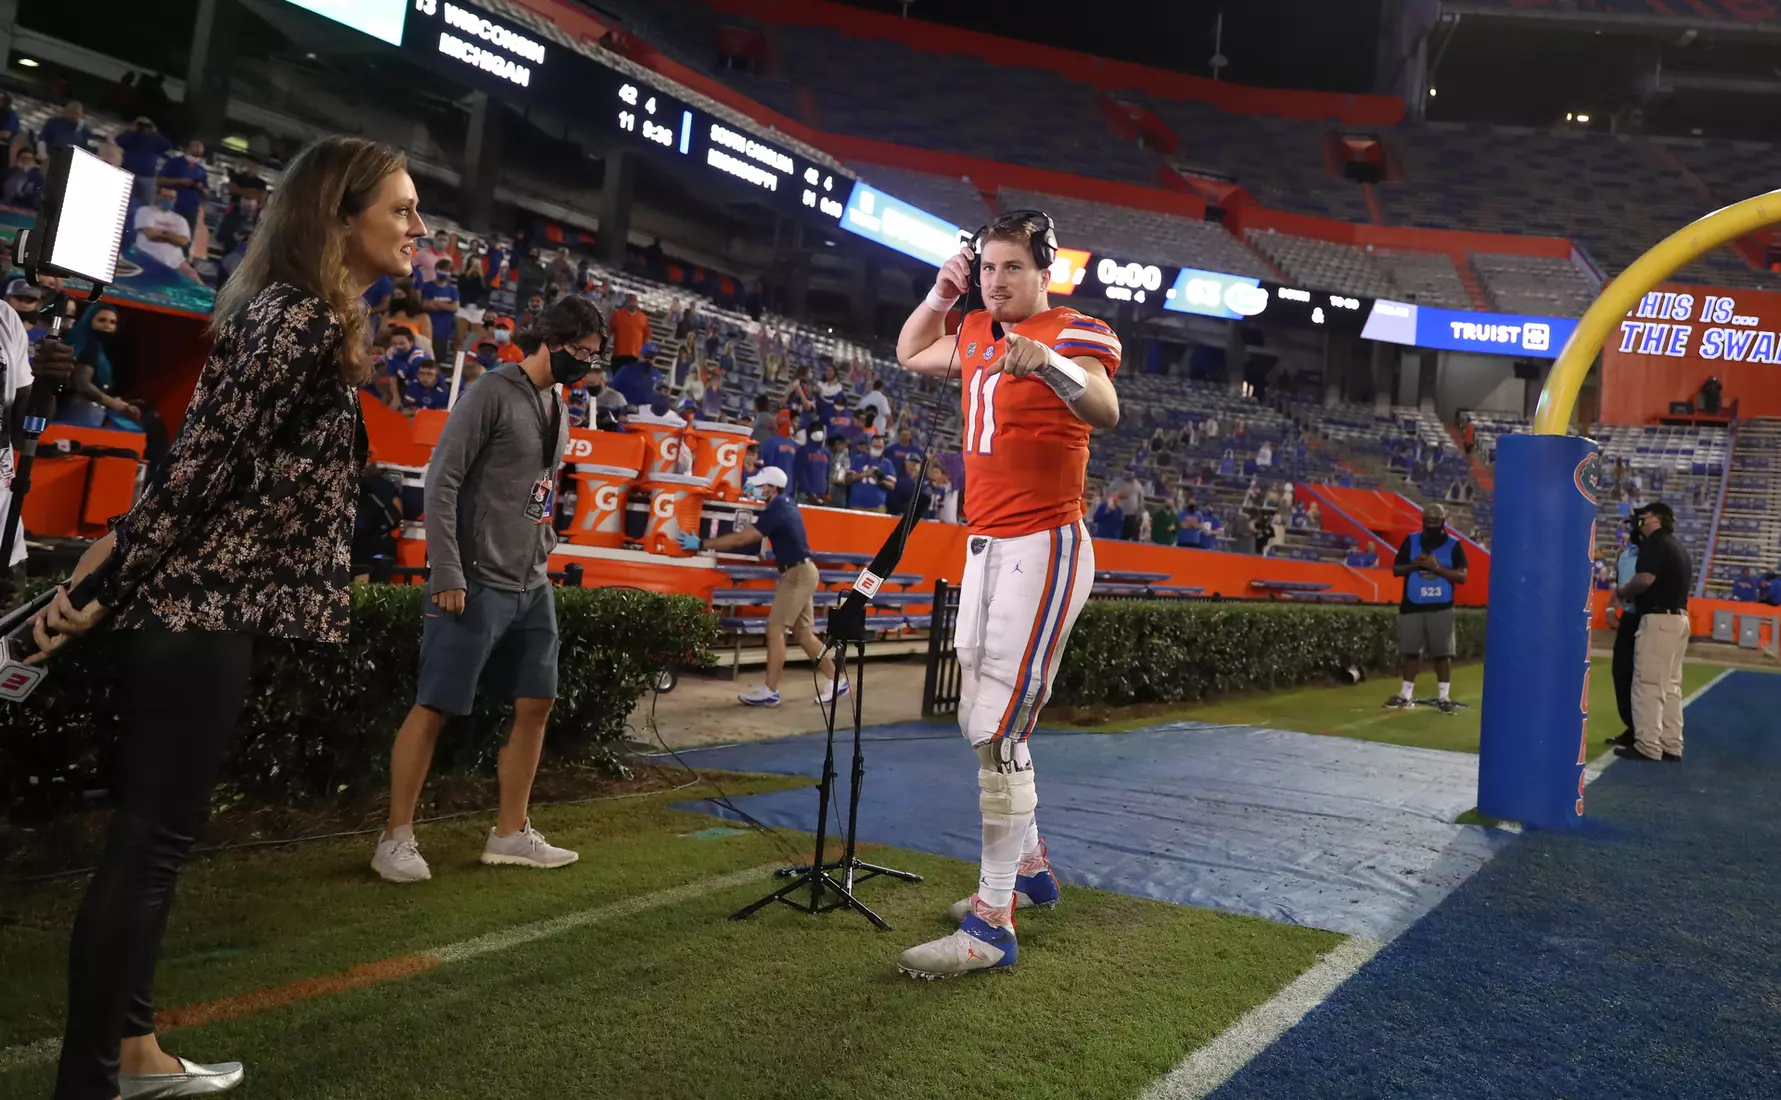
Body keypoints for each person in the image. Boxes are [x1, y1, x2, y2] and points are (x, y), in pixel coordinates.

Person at [27, 135, 419, 1100]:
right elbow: (201, 472)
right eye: (402, 208)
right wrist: (98, 588)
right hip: (195, 609)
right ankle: (92, 1082)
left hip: (207, 606)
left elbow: (215, 469)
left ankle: (135, 1056)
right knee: (150, 846)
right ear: (339, 213)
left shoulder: (302, 317)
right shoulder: (294, 319)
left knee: (156, 843)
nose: (418, 229)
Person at [892, 210, 1120, 978]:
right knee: (979, 719)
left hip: (1042, 542)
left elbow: (1104, 408)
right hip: (986, 545)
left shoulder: (1076, 329)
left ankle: (994, 923)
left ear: (1042, 270)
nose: (997, 282)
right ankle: (1029, 870)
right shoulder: (974, 330)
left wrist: (1045, 364)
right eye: (987, 268)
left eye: (1011, 268)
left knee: (997, 726)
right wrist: (940, 290)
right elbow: (913, 348)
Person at [370, 295, 607, 885]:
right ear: (551, 340)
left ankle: (510, 832)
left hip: (531, 580)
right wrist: (446, 569)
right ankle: (394, 838)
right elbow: (443, 479)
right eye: (582, 352)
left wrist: (545, 536)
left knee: (538, 702)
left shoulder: (557, 403)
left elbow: (539, 483)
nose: (588, 365)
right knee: (434, 707)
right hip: (475, 580)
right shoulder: (490, 393)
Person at [680, 466, 847, 706]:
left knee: (775, 629)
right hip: (802, 571)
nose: (755, 489)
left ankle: (771, 691)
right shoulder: (784, 503)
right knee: (802, 633)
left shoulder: (777, 508)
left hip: (798, 574)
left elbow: (743, 538)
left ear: (771, 487)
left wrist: (703, 543)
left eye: (759, 485)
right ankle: (836, 680)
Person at [1613, 502, 1692, 763]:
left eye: (1643, 517)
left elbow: (1645, 579)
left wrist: (1624, 591)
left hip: (1659, 619)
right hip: (1679, 619)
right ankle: (1671, 743)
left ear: (1657, 519)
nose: (1639, 521)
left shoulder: (1654, 545)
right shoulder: (1676, 546)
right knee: (1669, 685)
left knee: (1647, 683)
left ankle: (1647, 745)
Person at [1385, 504, 1469, 713]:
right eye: (1428, 522)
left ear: (1443, 521)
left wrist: (1436, 568)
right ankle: (1405, 695)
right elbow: (1396, 569)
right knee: (1411, 651)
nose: (1432, 525)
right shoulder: (1411, 541)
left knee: (1442, 653)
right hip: (1412, 604)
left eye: (1436, 521)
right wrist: (1414, 565)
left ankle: (1444, 697)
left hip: (1441, 605)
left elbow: (1462, 576)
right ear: (1423, 521)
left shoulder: (1454, 545)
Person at [1603, 520, 1646, 748]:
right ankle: (1632, 728)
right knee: (1621, 673)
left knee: (1645, 677)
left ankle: (1647, 732)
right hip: (1628, 618)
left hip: (1648, 618)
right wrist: (1611, 607)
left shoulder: (1653, 556)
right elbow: (1619, 587)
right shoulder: (1624, 556)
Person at [132, 186, 191, 269]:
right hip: (148, 259)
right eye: (165, 196)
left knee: (195, 279)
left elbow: (183, 242)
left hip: (176, 263)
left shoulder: (180, 219)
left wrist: (162, 233)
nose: (169, 200)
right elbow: (151, 235)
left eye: (172, 198)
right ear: (157, 196)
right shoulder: (145, 211)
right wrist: (172, 236)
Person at [155, 139, 209, 227]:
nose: (195, 158)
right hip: (170, 205)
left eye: (198, 155)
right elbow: (159, 180)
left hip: (191, 209)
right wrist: (180, 181)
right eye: (194, 154)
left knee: (186, 237)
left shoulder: (201, 171)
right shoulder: (174, 163)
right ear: (187, 149)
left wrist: (199, 187)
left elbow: (206, 191)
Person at [845, 435, 895, 512]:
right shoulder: (859, 459)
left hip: (877, 507)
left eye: (880, 447)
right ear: (869, 445)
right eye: (875, 446)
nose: (877, 449)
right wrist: (864, 474)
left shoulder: (887, 463)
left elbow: (892, 486)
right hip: (857, 505)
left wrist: (881, 481)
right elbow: (847, 479)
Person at [421, 259, 460, 358]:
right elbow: (425, 305)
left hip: (444, 330)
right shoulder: (427, 286)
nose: (444, 273)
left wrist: (435, 302)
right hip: (427, 328)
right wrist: (446, 305)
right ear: (436, 269)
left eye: (447, 270)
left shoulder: (452, 290)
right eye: (442, 270)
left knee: (438, 358)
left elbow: (455, 307)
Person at [609, 292, 649, 368]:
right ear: (627, 302)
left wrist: (645, 355)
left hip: (635, 356)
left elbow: (646, 338)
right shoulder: (618, 315)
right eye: (630, 300)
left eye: (634, 300)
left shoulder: (643, 318)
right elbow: (609, 332)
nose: (632, 302)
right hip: (619, 355)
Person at [1108, 468, 1144, 540]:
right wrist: (1119, 494)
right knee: (1117, 533)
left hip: (1132, 514)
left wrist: (1140, 510)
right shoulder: (1117, 482)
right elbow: (1108, 494)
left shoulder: (1137, 484)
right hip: (1117, 513)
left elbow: (1141, 499)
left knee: (1130, 534)